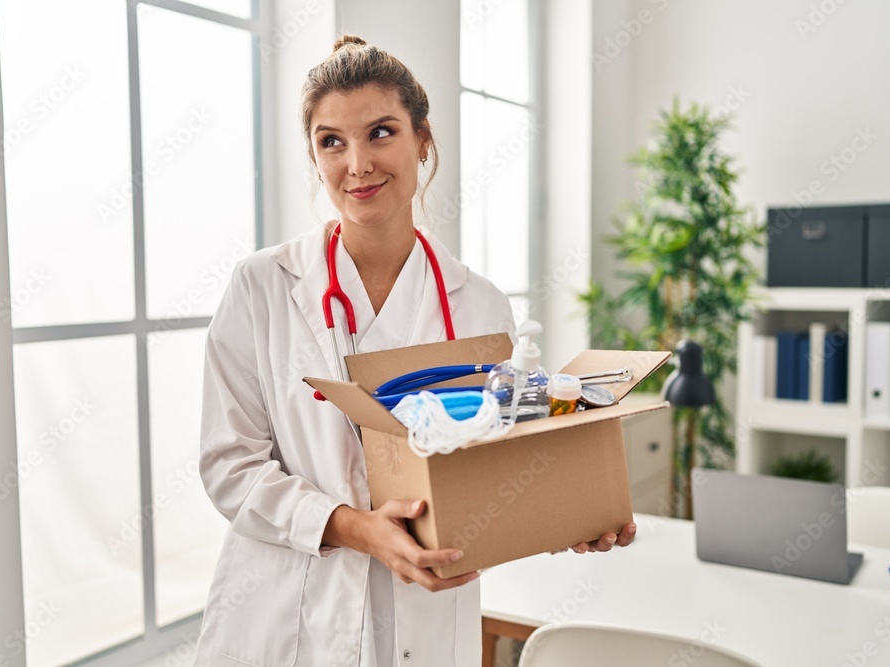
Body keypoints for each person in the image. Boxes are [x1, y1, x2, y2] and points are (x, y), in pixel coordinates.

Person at [194, 35, 636, 667]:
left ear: (422, 139)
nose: (357, 163)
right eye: (331, 141)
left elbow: (497, 466)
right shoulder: (263, 287)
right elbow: (228, 465)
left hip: (425, 615)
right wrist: (353, 527)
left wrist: (572, 514)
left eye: (380, 132)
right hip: (286, 617)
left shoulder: (479, 304)